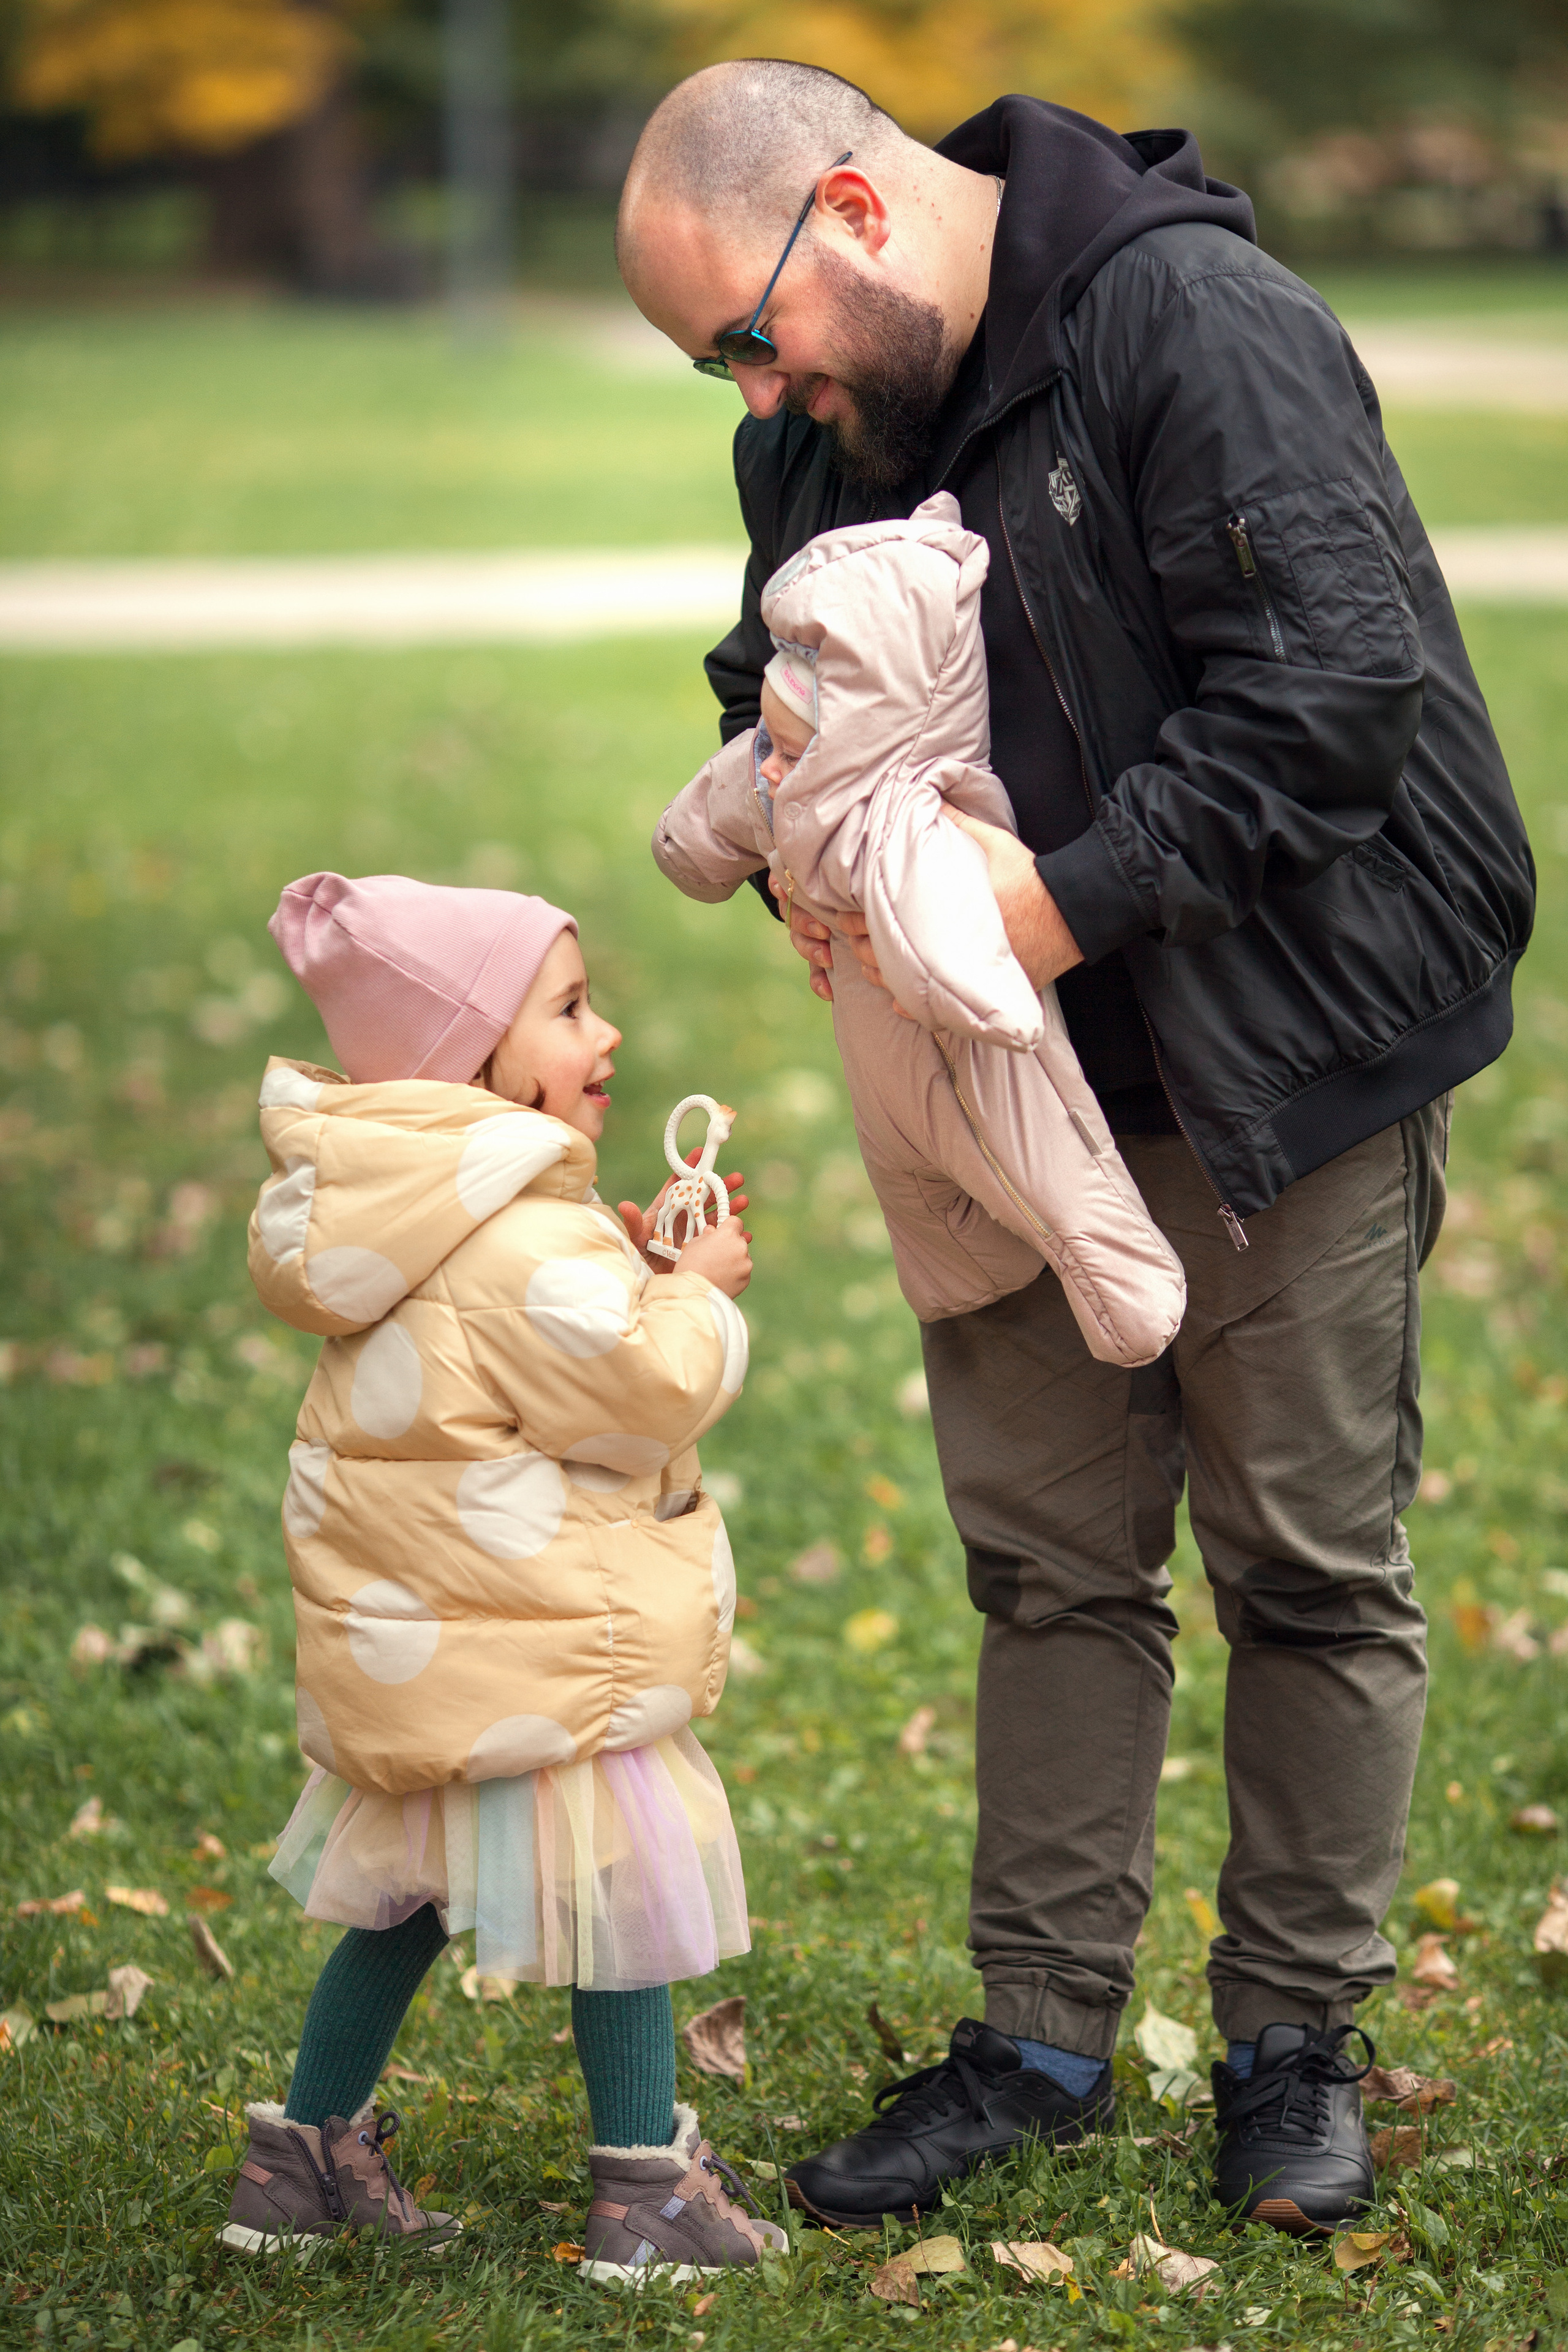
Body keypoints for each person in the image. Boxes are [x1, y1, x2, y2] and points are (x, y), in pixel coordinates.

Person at [617, 61, 1534, 2233]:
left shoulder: (1193, 324)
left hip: (1272, 1051)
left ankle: (1291, 2041)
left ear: (847, 208)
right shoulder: (821, 421)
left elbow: (1329, 695)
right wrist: (797, 837)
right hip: (1005, 1109)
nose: (758, 398)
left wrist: (1021, 920)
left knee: (1306, 1569)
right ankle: (1038, 2042)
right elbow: (780, 669)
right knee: (1046, 1565)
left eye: (750, 337)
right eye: (718, 373)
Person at [219, 870, 788, 2283]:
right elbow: (642, 1390)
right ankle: (646, 2188)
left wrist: (633, 1261)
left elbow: (527, 1358)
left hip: (447, 1649)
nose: (605, 1036)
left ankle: (302, 2160)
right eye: (571, 1009)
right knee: (628, 1898)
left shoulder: (404, 1217)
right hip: (548, 1655)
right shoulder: (522, 1233)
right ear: (473, 1059)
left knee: (399, 1902)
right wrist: (697, 1290)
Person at [652, 490, 1186, 1368]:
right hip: (880, 1067)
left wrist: (978, 986)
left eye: (796, 753)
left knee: (1051, 1176)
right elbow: (711, 819)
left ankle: (1131, 1293)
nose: (776, 772)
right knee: (915, 1198)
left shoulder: (909, 821)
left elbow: (952, 936)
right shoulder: (780, 779)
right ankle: (955, 1270)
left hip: (981, 1056)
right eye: (773, 746)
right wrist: (771, 867)